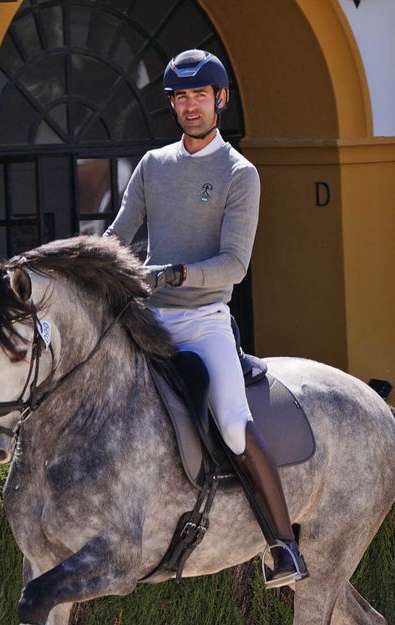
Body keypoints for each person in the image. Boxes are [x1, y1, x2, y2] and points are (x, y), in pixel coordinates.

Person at [104, 49, 307, 588]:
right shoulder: (153, 165)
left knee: (235, 426)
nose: (190, 107)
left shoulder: (239, 173)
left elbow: (234, 266)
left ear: (220, 100)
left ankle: (283, 544)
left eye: (200, 96)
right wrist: (88, 264)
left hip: (203, 320)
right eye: (180, 98)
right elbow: (118, 236)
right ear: (172, 105)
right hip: (146, 319)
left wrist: (173, 274)